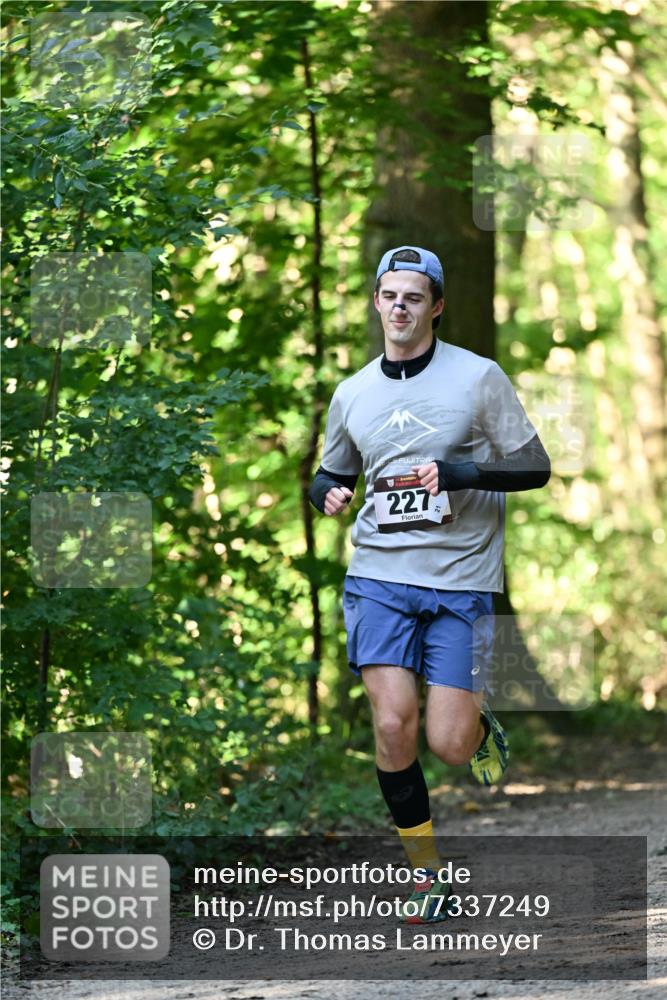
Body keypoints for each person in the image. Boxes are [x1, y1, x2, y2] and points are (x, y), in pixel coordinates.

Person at [309, 246, 551, 924]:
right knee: (391, 724)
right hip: (379, 577)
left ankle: (474, 727)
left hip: (460, 582)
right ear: (375, 302)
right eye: (389, 295)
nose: (399, 307)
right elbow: (329, 474)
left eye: (413, 297)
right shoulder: (352, 392)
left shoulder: (477, 378)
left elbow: (534, 467)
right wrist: (324, 495)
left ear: (436, 305)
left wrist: (461, 473)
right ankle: (426, 877)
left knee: (446, 743)